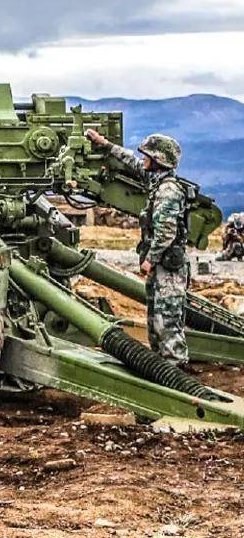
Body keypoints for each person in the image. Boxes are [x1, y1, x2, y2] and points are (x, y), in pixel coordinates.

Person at [85, 129, 190, 365]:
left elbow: (166, 231)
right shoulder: (157, 181)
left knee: (167, 321)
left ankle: (175, 371)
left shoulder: (168, 191)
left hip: (168, 268)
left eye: (148, 156)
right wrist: (105, 144)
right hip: (161, 267)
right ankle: (162, 366)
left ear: (159, 160)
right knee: (155, 320)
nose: (143, 159)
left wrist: (150, 260)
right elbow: (132, 163)